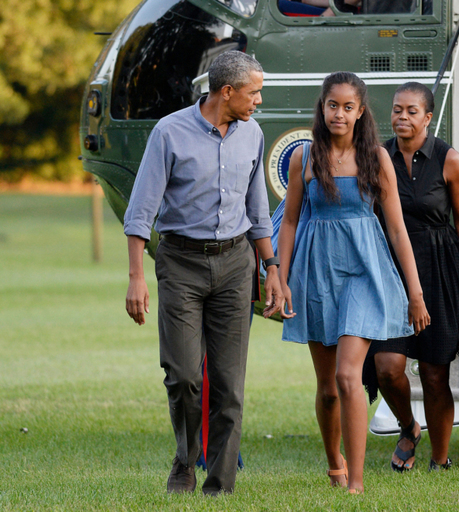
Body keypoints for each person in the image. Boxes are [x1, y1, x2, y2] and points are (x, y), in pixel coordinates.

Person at [123, 50, 283, 496]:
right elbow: (141, 211)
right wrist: (137, 276)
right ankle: (185, 460)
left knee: (229, 383)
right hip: (180, 264)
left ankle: (220, 485)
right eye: (254, 93)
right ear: (226, 92)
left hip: (236, 264)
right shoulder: (169, 133)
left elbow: (258, 210)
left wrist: (271, 267)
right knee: (184, 375)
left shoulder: (251, 134)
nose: (259, 102)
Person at [276, 71, 430, 494]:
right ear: (321, 107)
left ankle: (357, 483)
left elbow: (397, 229)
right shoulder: (303, 157)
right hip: (316, 270)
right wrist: (282, 278)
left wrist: (414, 293)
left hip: (364, 269)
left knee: (348, 376)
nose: (339, 113)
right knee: (328, 389)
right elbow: (289, 221)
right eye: (332, 105)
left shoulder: (376, 158)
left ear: (361, 111)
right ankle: (334, 464)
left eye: (348, 107)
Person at [363, 82, 459, 472]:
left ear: (428, 117)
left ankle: (439, 459)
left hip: (441, 268)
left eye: (412, 111)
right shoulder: (377, 156)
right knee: (387, 367)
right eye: (397, 110)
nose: (401, 117)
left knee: (434, 373)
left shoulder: (450, 160)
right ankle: (409, 426)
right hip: (390, 272)